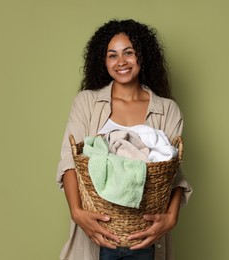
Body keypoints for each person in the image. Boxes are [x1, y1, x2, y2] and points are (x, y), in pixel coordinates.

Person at [56, 19, 192, 260]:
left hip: (145, 240)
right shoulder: (87, 102)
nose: (121, 62)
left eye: (128, 53)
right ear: (103, 61)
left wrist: (171, 218)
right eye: (112, 55)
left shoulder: (167, 110)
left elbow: (173, 173)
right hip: (97, 236)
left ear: (142, 55)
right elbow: (70, 160)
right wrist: (77, 212)